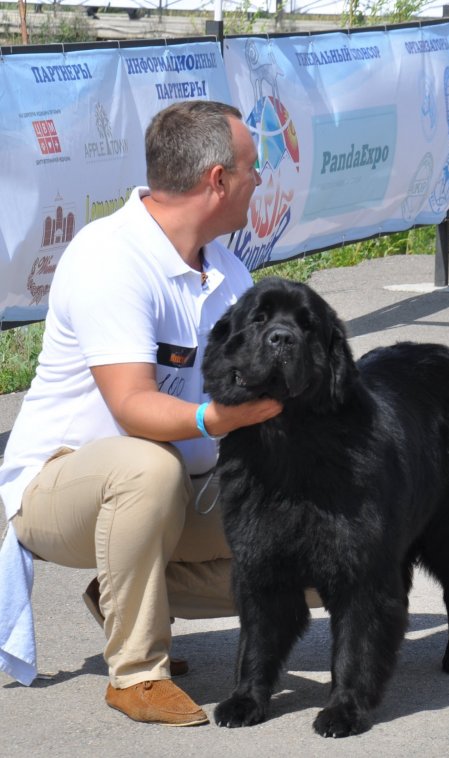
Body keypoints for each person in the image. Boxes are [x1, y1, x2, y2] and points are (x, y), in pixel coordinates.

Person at [0, 100, 286, 726]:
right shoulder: (111, 256)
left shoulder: (228, 270)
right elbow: (132, 408)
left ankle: (125, 596)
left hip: (184, 487)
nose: (259, 179)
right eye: (251, 167)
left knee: (312, 545)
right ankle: (135, 673)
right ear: (217, 181)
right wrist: (224, 419)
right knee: (145, 467)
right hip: (60, 486)